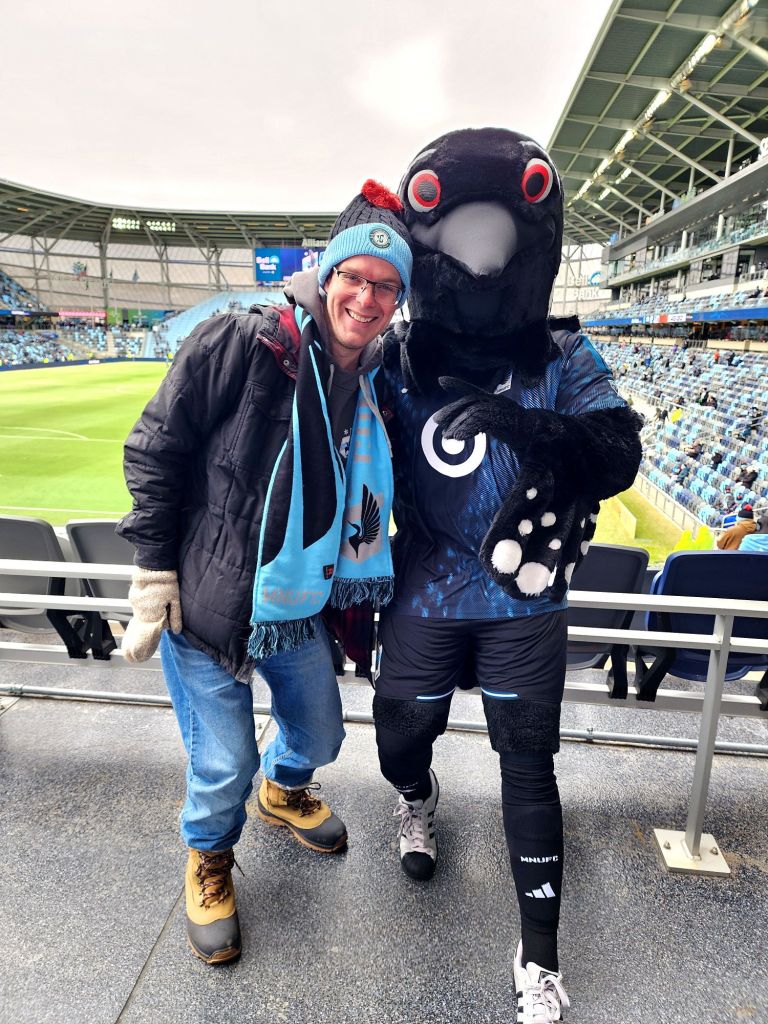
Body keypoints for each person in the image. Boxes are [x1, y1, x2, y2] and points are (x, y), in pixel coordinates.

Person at [375, 128, 643, 1024]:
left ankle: (540, 957)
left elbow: (616, 452)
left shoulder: (562, 357)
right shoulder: (398, 357)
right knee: (399, 736)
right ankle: (416, 797)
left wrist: (526, 427)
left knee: (529, 765)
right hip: (423, 586)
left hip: (523, 595)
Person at [116, 181, 412, 965]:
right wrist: (154, 571)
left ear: (398, 301)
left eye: (386, 286)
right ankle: (209, 859)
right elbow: (154, 449)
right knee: (223, 764)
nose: (367, 298)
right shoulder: (243, 342)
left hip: (292, 604)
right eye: (355, 277)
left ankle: (283, 791)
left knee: (320, 730)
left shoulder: (375, 379)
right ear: (328, 275)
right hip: (206, 601)